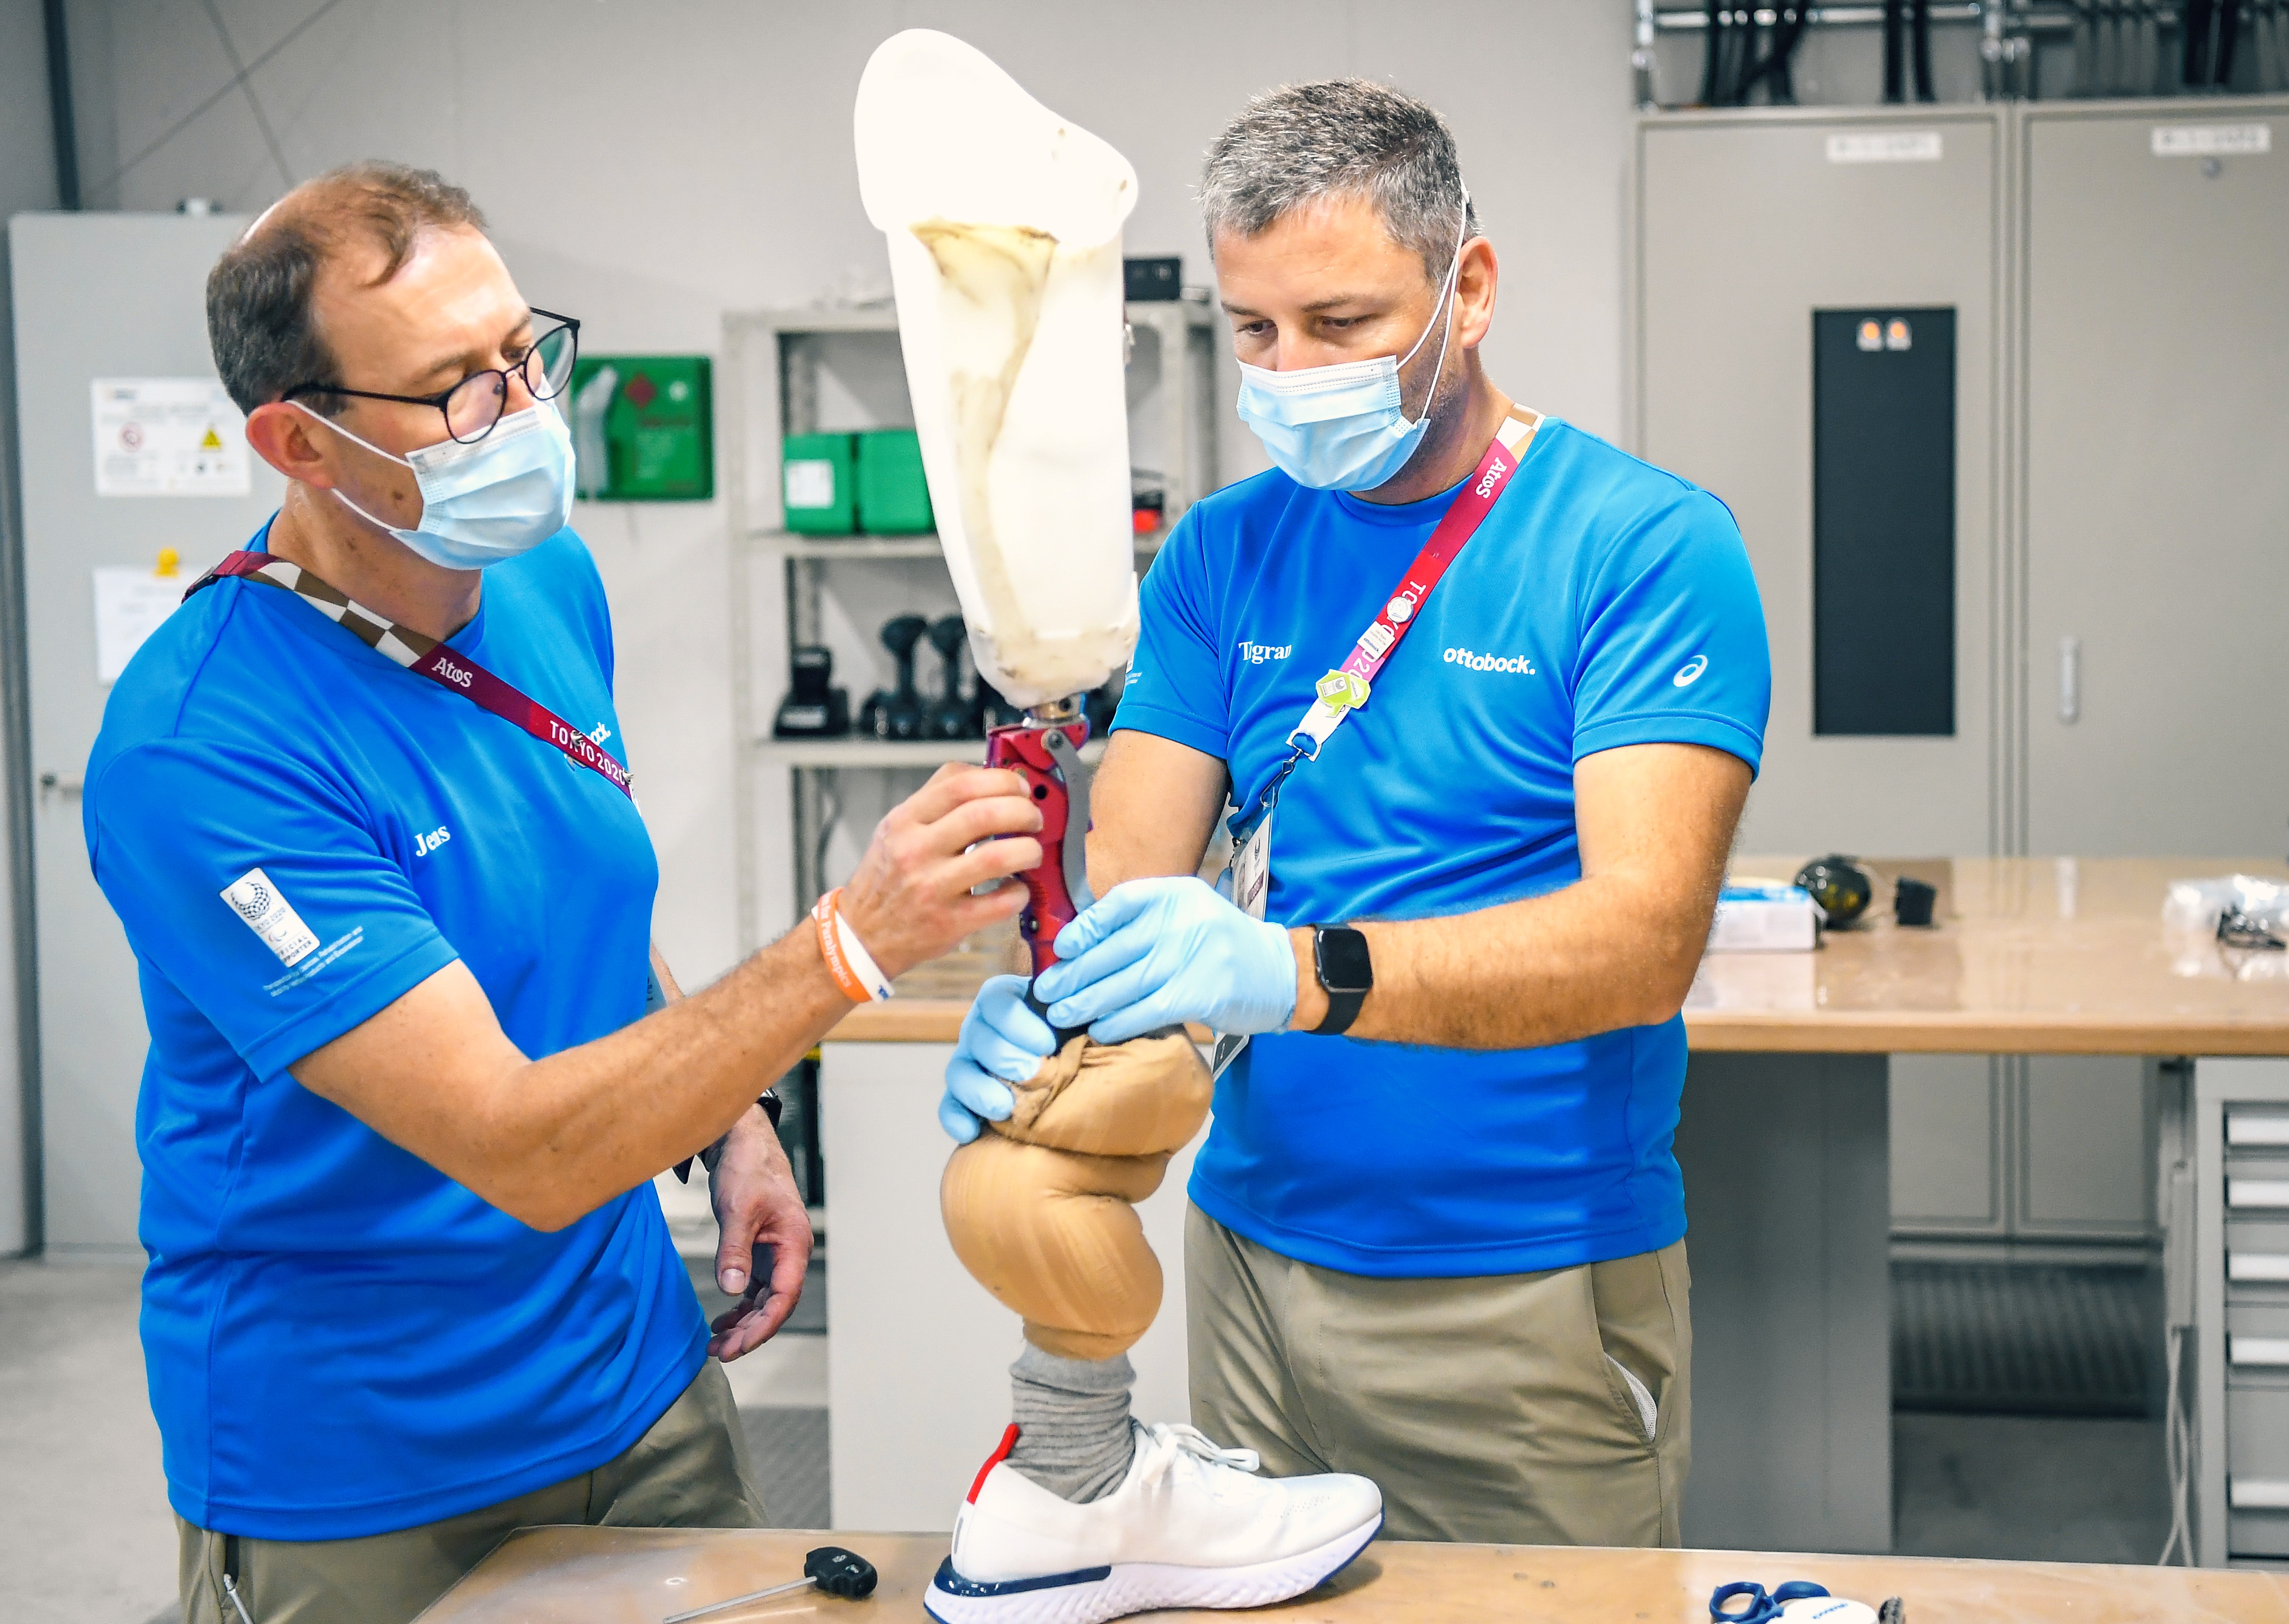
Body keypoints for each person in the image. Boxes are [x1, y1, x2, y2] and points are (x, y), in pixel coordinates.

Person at [85, 161, 1045, 1624]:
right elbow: (516, 1149)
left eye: (525, 351)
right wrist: (846, 945)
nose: (527, 412)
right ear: (305, 443)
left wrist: (732, 1118)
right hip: (373, 1467)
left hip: (639, 1387)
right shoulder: (204, 749)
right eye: (459, 389)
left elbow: (573, 894)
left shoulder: (538, 582)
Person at [942, 79, 1770, 1555]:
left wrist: (1293, 974)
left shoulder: (1642, 546)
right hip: (1251, 1259)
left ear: (1473, 289)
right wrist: (1053, 1012)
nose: (1290, 370)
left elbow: (1643, 941)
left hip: (1522, 1286)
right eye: (1254, 329)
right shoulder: (1219, 552)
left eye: (1342, 323)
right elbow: (1138, 881)